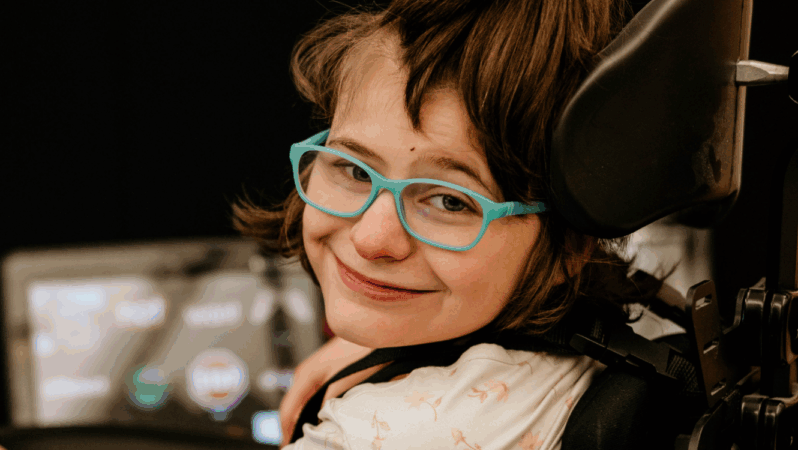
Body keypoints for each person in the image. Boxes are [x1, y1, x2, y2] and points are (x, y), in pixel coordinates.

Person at [227, 0, 688, 448]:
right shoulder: (574, 366)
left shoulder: (367, 435)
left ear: (571, 244)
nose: (372, 239)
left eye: (450, 201)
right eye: (353, 169)